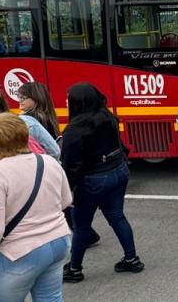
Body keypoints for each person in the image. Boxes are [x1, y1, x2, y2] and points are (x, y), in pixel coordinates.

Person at [0, 113, 72, 302]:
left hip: (18, 253)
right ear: (26, 136)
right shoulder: (48, 162)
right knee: (50, 299)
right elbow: (66, 200)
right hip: (57, 241)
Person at [61, 83, 143, 282]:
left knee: (81, 226)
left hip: (93, 180)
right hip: (118, 171)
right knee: (117, 216)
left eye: (68, 98)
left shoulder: (74, 129)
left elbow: (71, 166)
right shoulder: (107, 116)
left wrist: (66, 192)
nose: (66, 101)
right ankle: (132, 259)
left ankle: (74, 269)